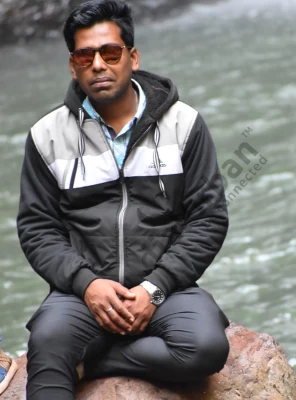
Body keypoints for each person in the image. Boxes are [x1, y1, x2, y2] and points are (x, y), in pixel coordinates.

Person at [16, 0, 230, 399]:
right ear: (73, 66)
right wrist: (87, 284)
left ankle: (93, 363)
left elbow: (208, 218)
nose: (98, 65)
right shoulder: (47, 135)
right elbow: (37, 229)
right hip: (81, 294)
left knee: (204, 348)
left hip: (167, 291)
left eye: (110, 53)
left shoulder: (184, 124)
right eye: (85, 56)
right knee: (48, 345)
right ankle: (74, 353)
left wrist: (155, 288)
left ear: (133, 57)